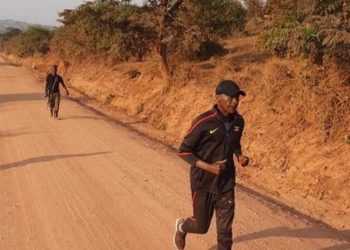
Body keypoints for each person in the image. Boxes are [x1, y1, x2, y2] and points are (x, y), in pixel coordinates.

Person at [174, 80, 249, 250]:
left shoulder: (239, 121)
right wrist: (208, 167)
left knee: (225, 234)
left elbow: (234, 142)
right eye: (230, 97)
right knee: (201, 227)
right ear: (217, 98)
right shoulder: (203, 122)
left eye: (237, 97)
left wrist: (239, 156)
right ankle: (182, 227)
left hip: (226, 183)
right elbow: (183, 151)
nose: (235, 101)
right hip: (203, 182)